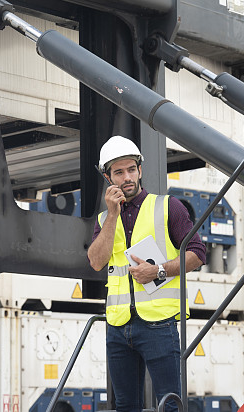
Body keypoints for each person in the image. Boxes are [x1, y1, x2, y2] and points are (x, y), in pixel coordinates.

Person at [87, 136, 206, 412]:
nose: (127, 177)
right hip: (118, 326)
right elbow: (95, 262)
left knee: (169, 405)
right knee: (126, 406)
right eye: (119, 172)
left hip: (159, 324)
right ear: (108, 177)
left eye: (131, 169)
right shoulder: (105, 220)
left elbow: (198, 253)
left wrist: (159, 270)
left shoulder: (168, 207)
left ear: (140, 170)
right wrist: (113, 214)